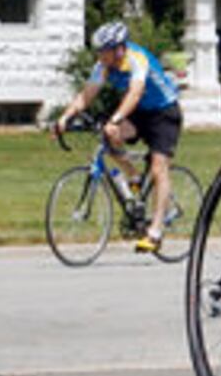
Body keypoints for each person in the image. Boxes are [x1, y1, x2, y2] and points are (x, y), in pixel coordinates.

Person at [55, 21, 183, 254]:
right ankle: (133, 175)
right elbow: (87, 95)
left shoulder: (136, 59)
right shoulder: (103, 65)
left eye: (104, 51)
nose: (100, 56)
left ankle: (155, 233)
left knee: (158, 168)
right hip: (140, 113)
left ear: (119, 49)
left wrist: (115, 118)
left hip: (164, 112)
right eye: (99, 51)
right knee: (109, 136)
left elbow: (135, 93)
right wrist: (65, 117)